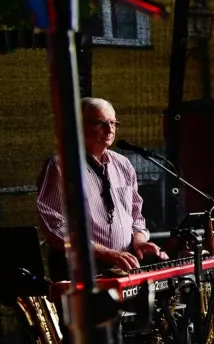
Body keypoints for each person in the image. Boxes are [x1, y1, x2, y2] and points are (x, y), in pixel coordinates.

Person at [35, 97, 165, 274]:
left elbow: (136, 216)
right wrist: (102, 251)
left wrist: (140, 241)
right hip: (82, 268)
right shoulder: (61, 166)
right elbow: (53, 224)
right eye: (101, 123)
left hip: (123, 263)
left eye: (113, 123)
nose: (110, 129)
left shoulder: (123, 164)